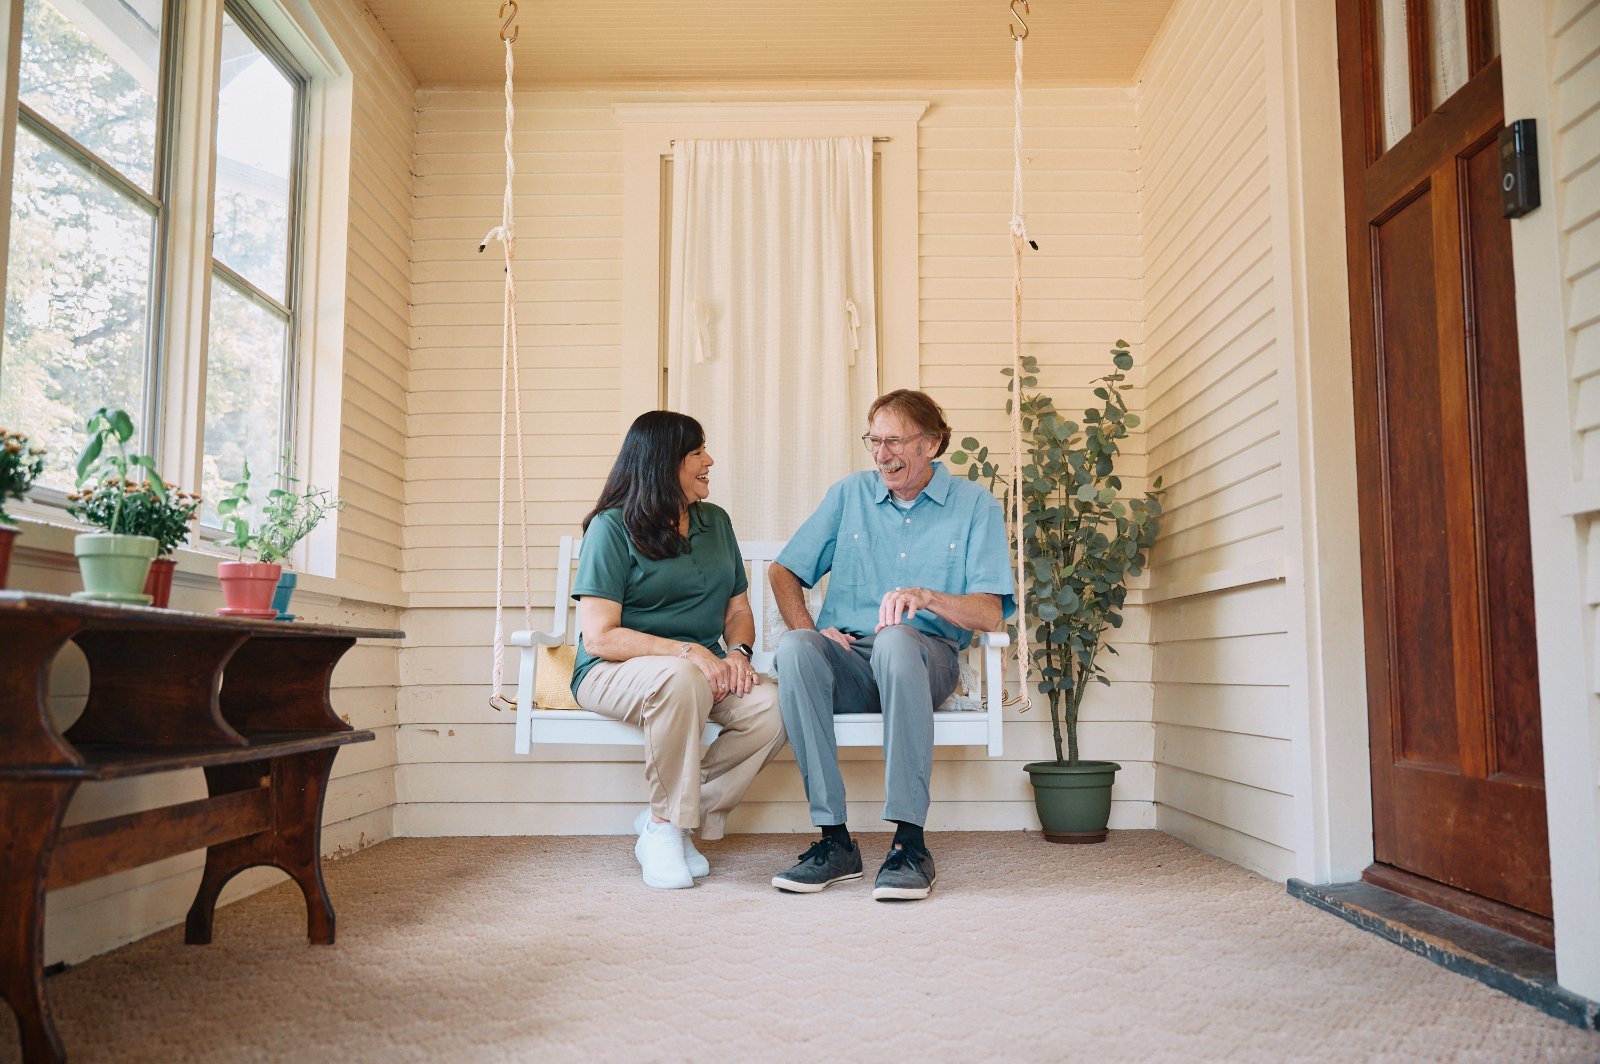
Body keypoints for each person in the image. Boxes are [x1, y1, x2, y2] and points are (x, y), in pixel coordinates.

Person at [767, 390, 1014, 901]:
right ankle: (834, 842)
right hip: (853, 662)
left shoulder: (975, 506)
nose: (881, 455)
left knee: (898, 640)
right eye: (874, 442)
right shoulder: (848, 495)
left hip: (926, 661)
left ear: (932, 443)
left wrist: (927, 596)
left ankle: (909, 842)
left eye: (894, 441)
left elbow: (990, 612)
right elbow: (784, 570)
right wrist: (808, 627)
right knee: (795, 650)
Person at [572, 411, 786, 889]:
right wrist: (686, 651)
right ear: (663, 463)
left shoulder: (716, 522)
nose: (709, 461)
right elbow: (600, 636)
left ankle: (666, 820)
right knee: (680, 676)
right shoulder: (612, 528)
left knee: (772, 706)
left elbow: (737, 611)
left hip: (697, 669)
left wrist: (739, 654)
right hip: (612, 669)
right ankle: (667, 828)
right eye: (696, 453)